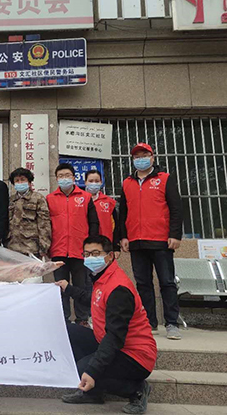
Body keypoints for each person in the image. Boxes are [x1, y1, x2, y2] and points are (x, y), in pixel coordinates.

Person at [57, 235, 156, 415]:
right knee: (68, 331)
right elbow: (94, 299)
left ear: (110, 256)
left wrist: (92, 371)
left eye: (96, 253)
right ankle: (93, 394)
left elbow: (115, 337)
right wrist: (68, 288)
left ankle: (136, 390)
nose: (90, 258)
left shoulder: (119, 288)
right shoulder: (103, 277)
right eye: (87, 254)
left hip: (135, 356)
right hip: (112, 343)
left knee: (84, 369)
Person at [119, 143, 183, 340]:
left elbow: (176, 208)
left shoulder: (165, 179)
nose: (141, 159)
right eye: (137, 156)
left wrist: (175, 234)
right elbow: (123, 212)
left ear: (152, 157)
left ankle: (172, 323)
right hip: (136, 241)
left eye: (144, 155)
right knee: (143, 284)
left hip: (161, 240)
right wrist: (123, 236)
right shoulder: (127, 182)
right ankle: (149, 322)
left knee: (167, 282)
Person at [46, 163, 99, 326]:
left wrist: (91, 248)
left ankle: (82, 319)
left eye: (67, 175)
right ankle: (64, 320)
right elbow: (46, 225)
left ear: (74, 178)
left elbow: (94, 223)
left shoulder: (86, 197)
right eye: (61, 176)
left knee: (81, 286)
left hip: (80, 251)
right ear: (56, 179)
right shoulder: (50, 199)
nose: (64, 179)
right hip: (58, 250)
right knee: (60, 287)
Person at [5, 167, 52, 258]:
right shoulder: (11, 200)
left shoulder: (38, 198)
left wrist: (44, 247)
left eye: (23, 180)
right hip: (12, 248)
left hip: (31, 248)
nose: (20, 182)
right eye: (17, 180)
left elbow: (44, 224)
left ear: (29, 182)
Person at [84, 170, 119, 247]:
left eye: (97, 181)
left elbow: (115, 225)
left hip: (105, 244)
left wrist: (116, 246)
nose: (94, 183)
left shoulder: (109, 202)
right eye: (91, 181)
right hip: (84, 244)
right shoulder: (80, 201)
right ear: (85, 182)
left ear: (101, 182)